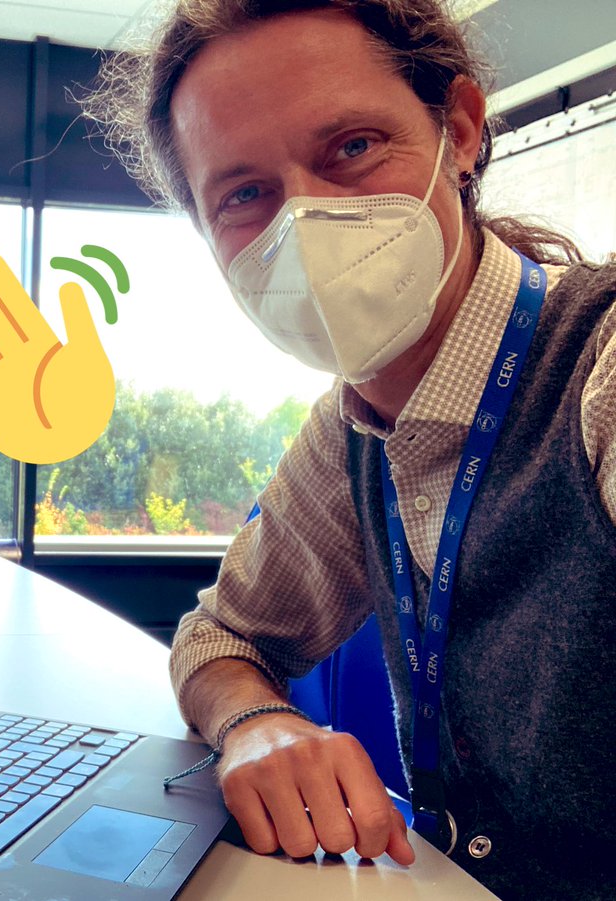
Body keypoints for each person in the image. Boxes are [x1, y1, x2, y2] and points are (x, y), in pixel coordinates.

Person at [85, 1, 616, 898]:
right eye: (243, 194)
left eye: (354, 147)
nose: (307, 221)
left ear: (460, 131)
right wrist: (255, 722)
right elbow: (218, 635)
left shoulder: (598, 370)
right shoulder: (351, 432)